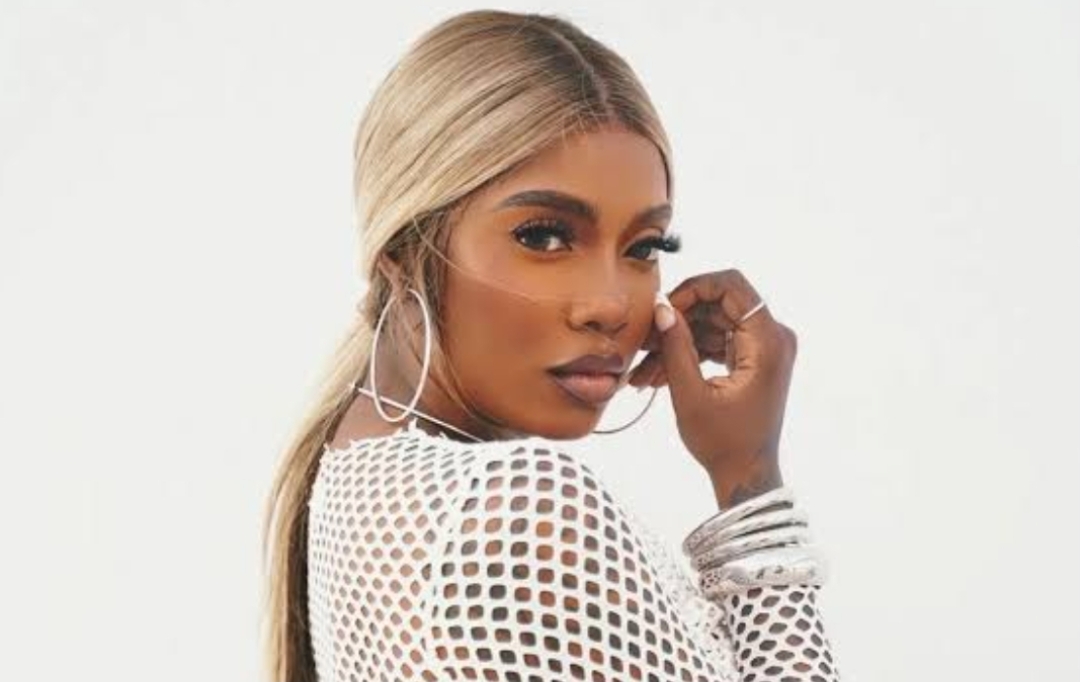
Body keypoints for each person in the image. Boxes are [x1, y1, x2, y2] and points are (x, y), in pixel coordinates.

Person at [263, 9, 841, 682]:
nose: (612, 305)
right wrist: (750, 479)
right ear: (403, 253)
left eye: (644, 247)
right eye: (543, 236)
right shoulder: (521, 511)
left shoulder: (354, 466)